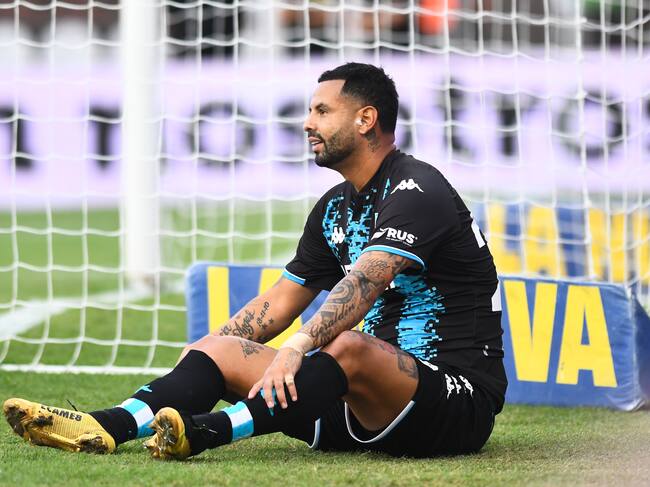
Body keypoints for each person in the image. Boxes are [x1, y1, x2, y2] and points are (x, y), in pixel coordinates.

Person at [4, 62, 507, 460]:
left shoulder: (417, 188)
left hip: (450, 404)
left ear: (366, 118)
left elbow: (367, 280)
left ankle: (207, 433)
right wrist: (208, 355)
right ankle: (103, 426)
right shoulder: (334, 206)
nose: (308, 123)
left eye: (322, 111)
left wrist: (302, 344)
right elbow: (281, 300)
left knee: (349, 346)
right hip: (354, 408)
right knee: (221, 348)